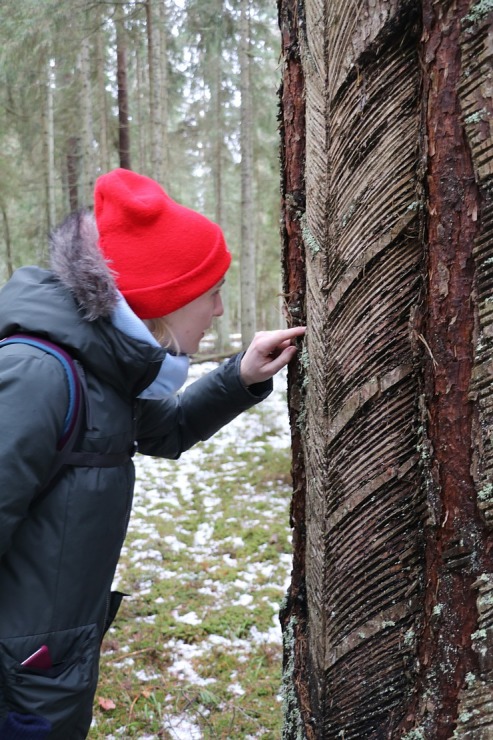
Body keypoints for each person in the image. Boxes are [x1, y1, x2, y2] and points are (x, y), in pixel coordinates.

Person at [0, 168, 305, 739]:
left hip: (46, 664)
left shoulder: (101, 370)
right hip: (18, 680)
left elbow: (160, 431)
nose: (218, 311)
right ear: (163, 302)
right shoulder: (39, 375)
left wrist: (239, 376)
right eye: (211, 294)